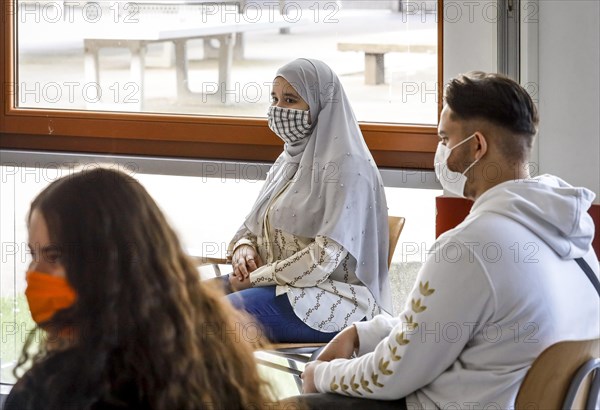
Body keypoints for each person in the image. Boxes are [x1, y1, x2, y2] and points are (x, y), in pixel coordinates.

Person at [296, 72, 600, 409]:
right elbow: (446, 323)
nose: (440, 152)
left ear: (476, 146)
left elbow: (392, 374)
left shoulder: (471, 246)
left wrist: (321, 374)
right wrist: (364, 333)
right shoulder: (574, 239)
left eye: (444, 139)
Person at [4, 168, 272, 410]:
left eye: (54, 256)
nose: (33, 274)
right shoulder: (206, 362)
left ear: (110, 265)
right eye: (33, 255)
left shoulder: (52, 393)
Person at [222, 58, 391, 343]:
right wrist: (243, 249)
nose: (278, 110)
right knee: (175, 302)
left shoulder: (348, 169)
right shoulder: (290, 160)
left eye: (290, 100)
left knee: (206, 318)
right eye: (275, 99)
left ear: (321, 105)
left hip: (331, 298)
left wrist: (257, 277)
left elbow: (323, 260)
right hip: (278, 284)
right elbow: (256, 223)